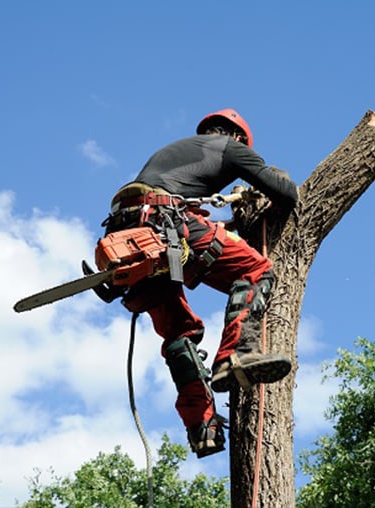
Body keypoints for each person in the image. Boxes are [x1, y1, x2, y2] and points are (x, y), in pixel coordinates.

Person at [101, 108, 298, 458]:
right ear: (237, 136)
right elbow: (286, 193)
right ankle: (235, 355)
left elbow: (191, 209)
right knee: (256, 270)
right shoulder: (229, 147)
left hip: (128, 231)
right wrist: (267, 184)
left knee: (179, 332)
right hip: (166, 222)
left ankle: (200, 426)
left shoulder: (175, 153)